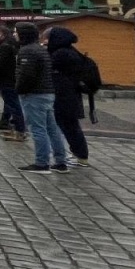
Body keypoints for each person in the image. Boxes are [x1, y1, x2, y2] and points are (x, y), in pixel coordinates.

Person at [15, 21, 69, 174]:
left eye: (16, 32)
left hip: (34, 94)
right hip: (47, 92)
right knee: (52, 128)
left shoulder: (27, 51)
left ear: (23, 34)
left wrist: (19, 89)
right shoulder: (40, 49)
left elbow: (27, 75)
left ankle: (42, 163)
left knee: (38, 129)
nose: (14, 34)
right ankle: (60, 161)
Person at [46, 27, 92, 169]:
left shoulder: (61, 54)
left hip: (64, 95)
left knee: (69, 126)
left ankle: (81, 156)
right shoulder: (70, 51)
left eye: (48, 38)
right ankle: (79, 154)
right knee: (70, 126)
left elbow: (50, 69)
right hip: (70, 94)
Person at [0, 24, 26, 139]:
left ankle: (19, 130)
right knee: (10, 104)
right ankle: (12, 126)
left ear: (1, 34)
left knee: (13, 104)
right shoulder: (9, 45)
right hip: (10, 79)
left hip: (6, 80)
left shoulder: (4, 46)